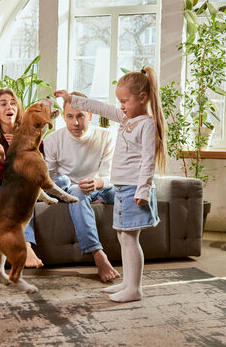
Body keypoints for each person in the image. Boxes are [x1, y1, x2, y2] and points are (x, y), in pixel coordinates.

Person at [54, 67, 165, 303]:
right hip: (123, 188)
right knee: (124, 237)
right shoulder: (126, 118)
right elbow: (101, 108)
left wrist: (143, 189)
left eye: (125, 101)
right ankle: (128, 282)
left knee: (130, 238)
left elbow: (148, 160)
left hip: (136, 189)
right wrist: (71, 99)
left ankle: (135, 288)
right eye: (119, 102)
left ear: (142, 98)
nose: (121, 106)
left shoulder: (146, 124)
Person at [43, 91, 120, 283]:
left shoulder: (105, 137)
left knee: (125, 191)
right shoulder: (53, 140)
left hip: (101, 187)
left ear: (90, 115)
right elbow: (48, 178)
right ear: (63, 116)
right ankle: (98, 254)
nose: (75, 123)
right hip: (72, 190)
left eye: (80, 116)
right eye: (69, 116)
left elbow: (109, 175)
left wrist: (99, 183)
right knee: (77, 192)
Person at [0, 88, 44, 268]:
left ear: (18, 108)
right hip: (7, 188)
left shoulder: (32, 133)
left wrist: (21, 149)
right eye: (3, 104)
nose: (9, 107)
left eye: (13, 103)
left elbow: (40, 169)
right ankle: (26, 245)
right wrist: (3, 156)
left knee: (63, 182)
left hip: (32, 184)